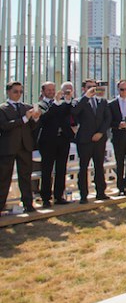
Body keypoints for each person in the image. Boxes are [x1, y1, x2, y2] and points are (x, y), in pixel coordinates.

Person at [0, 81, 41, 213]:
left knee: (25, 177)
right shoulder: (3, 108)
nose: (18, 94)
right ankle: (1, 206)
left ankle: (28, 204)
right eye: (15, 91)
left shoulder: (26, 107)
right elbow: (4, 126)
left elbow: (31, 128)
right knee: (4, 178)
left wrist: (35, 119)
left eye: (20, 92)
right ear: (8, 92)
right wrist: (24, 119)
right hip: (9, 147)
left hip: (25, 146)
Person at [71, 79, 112, 203]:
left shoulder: (102, 101)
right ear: (84, 88)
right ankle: (83, 194)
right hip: (85, 139)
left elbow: (108, 118)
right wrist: (86, 97)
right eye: (90, 87)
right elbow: (75, 112)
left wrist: (100, 133)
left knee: (99, 165)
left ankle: (101, 192)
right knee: (84, 167)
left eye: (95, 87)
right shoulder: (78, 101)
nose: (93, 89)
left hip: (99, 139)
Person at [36, 81, 75, 207]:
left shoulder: (61, 103)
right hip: (48, 141)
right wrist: (56, 103)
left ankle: (59, 196)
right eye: (49, 90)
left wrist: (68, 100)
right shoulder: (40, 105)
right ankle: (46, 198)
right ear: (43, 92)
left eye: (53, 89)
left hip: (62, 139)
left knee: (61, 168)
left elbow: (68, 112)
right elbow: (44, 118)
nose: (52, 92)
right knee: (47, 170)